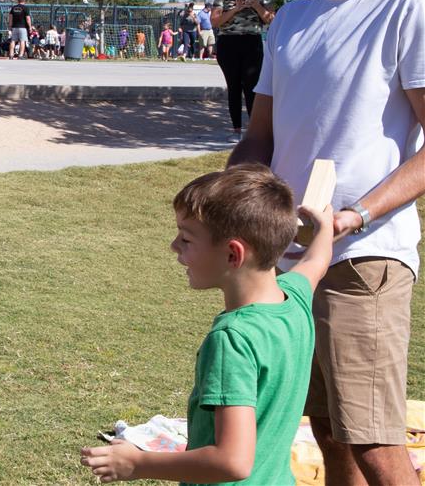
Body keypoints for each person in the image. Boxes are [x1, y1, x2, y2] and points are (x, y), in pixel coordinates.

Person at [228, 0, 424, 485]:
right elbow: (259, 138)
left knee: (373, 443)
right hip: (285, 261)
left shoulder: (409, 7)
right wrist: (227, 200)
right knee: (327, 434)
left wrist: (355, 214)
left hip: (364, 256)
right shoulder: (291, 18)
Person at [82, 164, 334, 484]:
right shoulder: (295, 300)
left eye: (186, 239)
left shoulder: (234, 340)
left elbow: (232, 462)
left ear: (233, 254)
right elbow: (316, 261)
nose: (174, 246)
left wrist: (137, 463)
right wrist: (324, 227)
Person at [210, 0, 275, 140]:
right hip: (228, 44)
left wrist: (256, 6)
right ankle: (236, 129)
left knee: (252, 86)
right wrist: (235, 9)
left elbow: (272, 19)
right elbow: (215, 21)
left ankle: (254, 130)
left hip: (251, 42)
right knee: (234, 86)